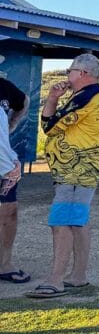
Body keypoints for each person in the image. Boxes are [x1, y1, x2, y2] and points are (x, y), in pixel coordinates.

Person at [27, 54, 99, 299]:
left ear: (82, 73)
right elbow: (48, 122)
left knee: (61, 221)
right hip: (75, 169)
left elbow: (50, 126)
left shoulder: (86, 97)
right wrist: (52, 98)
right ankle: (78, 276)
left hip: (76, 170)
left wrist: (53, 102)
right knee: (77, 221)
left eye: (69, 71)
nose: (66, 76)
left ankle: (56, 279)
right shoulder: (83, 96)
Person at [0, 79, 30, 284]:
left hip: (5, 163)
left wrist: (12, 123)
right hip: (5, 163)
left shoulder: (3, 86)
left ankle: (4, 264)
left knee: (8, 212)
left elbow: (24, 101)